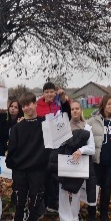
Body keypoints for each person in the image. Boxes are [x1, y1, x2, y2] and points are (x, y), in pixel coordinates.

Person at [6, 92, 51, 221]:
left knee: (35, 200)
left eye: (29, 104)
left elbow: (54, 142)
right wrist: (15, 165)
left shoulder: (45, 124)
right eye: (23, 106)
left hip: (37, 170)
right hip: (20, 171)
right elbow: (11, 150)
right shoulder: (18, 127)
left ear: (35, 103)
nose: (26, 108)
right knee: (19, 201)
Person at [54, 100, 96, 221]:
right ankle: (65, 219)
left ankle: (75, 217)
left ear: (81, 110)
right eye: (72, 109)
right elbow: (56, 143)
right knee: (63, 190)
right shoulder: (64, 126)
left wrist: (81, 150)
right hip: (65, 161)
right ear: (70, 111)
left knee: (76, 190)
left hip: (79, 163)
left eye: (77, 108)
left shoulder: (87, 127)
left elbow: (92, 148)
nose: (75, 111)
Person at [36, 82, 71, 212]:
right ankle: (43, 203)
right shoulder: (37, 106)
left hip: (58, 144)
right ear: (43, 93)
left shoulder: (60, 104)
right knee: (44, 174)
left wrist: (64, 99)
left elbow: (69, 114)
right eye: (47, 92)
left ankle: (53, 203)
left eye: (52, 91)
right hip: (43, 145)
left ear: (55, 93)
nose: (49, 94)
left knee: (55, 175)